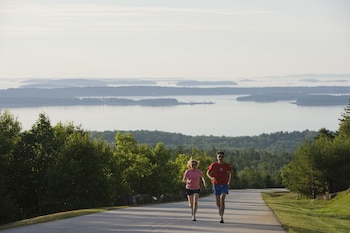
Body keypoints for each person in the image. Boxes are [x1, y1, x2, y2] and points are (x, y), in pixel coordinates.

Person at [206, 151, 233, 223]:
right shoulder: (214, 165)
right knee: (218, 202)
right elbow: (207, 173)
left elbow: (231, 173)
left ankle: (222, 216)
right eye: (219, 156)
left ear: (223, 157)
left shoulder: (226, 165)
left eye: (221, 156)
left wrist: (229, 182)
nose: (220, 158)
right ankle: (220, 208)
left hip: (224, 184)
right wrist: (211, 178)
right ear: (217, 157)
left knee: (222, 198)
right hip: (216, 184)